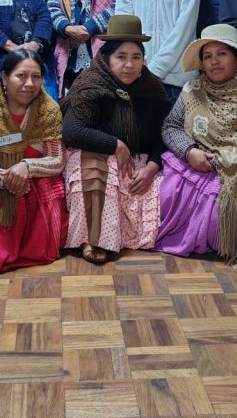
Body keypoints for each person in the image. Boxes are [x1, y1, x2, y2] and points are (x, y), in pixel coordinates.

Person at [157, 24, 237, 269]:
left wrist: (221, 162)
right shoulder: (192, 90)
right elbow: (171, 127)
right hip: (193, 163)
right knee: (164, 196)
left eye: (222, 54)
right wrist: (189, 151)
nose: (214, 62)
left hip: (235, 174)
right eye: (207, 56)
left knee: (213, 220)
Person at [61, 15, 171, 264]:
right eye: (121, 57)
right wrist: (115, 145)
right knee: (97, 169)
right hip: (94, 153)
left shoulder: (152, 88)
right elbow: (73, 131)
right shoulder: (90, 84)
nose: (129, 65)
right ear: (107, 58)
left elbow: (164, 135)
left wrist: (153, 167)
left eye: (136, 57)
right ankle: (92, 239)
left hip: (139, 161)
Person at [0, 51, 66, 274]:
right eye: (21, 76)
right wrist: (5, 179)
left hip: (34, 181)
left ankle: (35, 248)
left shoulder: (48, 110)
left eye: (36, 77)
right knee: (2, 206)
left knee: (47, 190)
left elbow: (57, 160)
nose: (29, 83)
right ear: (4, 77)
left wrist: (27, 167)